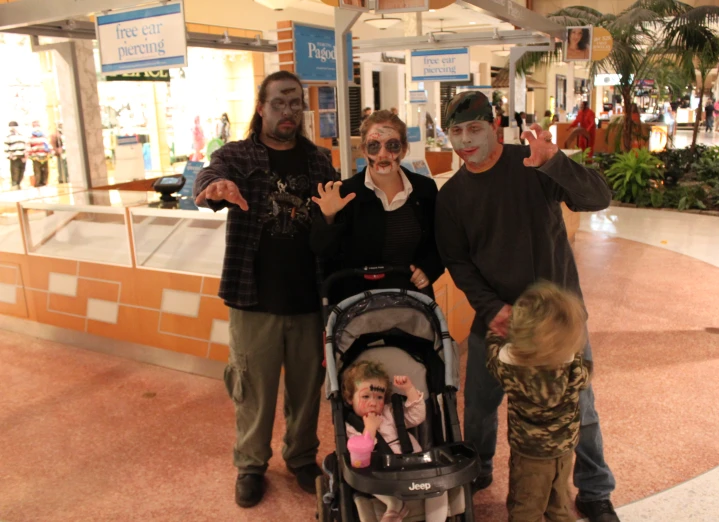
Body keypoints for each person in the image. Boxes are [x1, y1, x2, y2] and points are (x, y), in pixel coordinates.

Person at [434, 91, 619, 522]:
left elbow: (598, 198)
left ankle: (594, 488)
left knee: (580, 405)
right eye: (456, 132)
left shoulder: (532, 163)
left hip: (557, 321)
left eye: (475, 128)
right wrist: (490, 308)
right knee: (480, 405)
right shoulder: (453, 195)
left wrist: (557, 161)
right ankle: (477, 471)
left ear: (494, 126)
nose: (465, 140)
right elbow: (457, 261)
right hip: (495, 318)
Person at [193, 70, 337, 508]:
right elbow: (209, 176)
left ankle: (301, 456)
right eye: (279, 103)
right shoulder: (237, 155)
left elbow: (334, 217)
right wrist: (212, 188)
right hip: (253, 297)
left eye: (296, 103)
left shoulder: (317, 160)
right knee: (252, 388)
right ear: (261, 108)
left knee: (306, 387)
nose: (289, 111)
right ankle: (251, 463)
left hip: (308, 299)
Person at [310, 110, 443, 302]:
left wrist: (428, 269)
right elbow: (322, 252)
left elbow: (438, 244)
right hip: (357, 308)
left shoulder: (424, 189)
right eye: (374, 146)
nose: (383, 154)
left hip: (412, 304)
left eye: (392, 145)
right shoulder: (345, 193)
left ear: (404, 149)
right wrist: (328, 217)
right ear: (364, 150)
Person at [486, 281, 590, 522]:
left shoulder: (509, 364)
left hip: (529, 451)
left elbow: (493, 353)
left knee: (526, 505)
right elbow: (585, 375)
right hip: (564, 447)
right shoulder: (569, 362)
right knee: (559, 500)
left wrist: (496, 333)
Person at [343, 361, 449, 522]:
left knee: (440, 488)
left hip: (414, 464)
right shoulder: (352, 425)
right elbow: (360, 456)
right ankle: (394, 506)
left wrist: (409, 390)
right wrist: (370, 429)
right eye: (365, 396)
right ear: (350, 398)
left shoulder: (390, 412)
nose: (373, 402)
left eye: (379, 397)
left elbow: (417, 416)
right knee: (367, 480)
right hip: (381, 474)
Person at [26, 121, 50, 187]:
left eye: (38, 126)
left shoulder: (44, 136)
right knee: (37, 171)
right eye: (35, 126)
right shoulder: (30, 137)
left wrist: (48, 151)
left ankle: (44, 182)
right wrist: (32, 152)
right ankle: (38, 184)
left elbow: (48, 145)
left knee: (45, 170)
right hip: (36, 157)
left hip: (44, 156)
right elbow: (28, 147)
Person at [5, 121, 26, 189]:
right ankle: (15, 184)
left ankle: (19, 183)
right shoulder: (8, 136)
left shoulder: (21, 136)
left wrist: (25, 155)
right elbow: (6, 147)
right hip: (14, 156)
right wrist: (10, 155)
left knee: (21, 170)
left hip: (21, 155)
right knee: (15, 171)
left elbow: (24, 145)